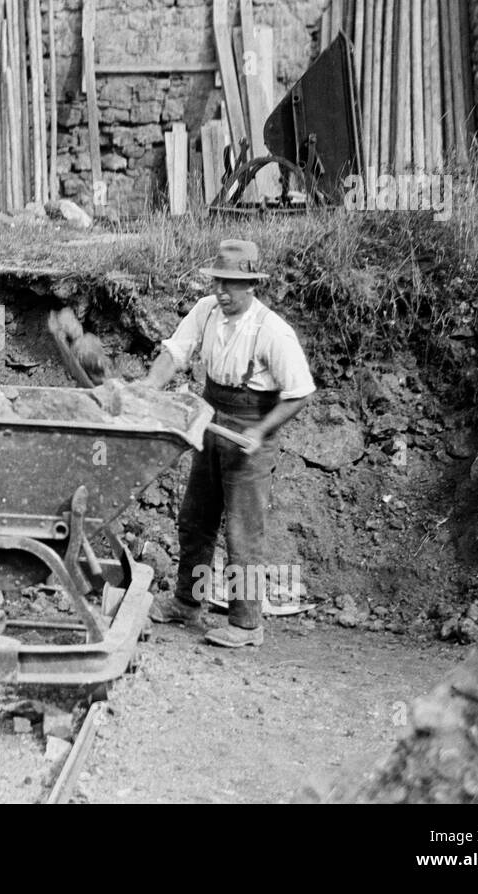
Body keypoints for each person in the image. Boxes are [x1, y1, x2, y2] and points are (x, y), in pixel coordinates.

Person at [142, 239, 315, 648]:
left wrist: (259, 431)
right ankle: (187, 602)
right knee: (195, 517)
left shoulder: (272, 331)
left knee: (242, 531)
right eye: (219, 281)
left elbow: (301, 392)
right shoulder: (206, 311)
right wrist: (150, 385)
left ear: (252, 284)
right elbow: (175, 351)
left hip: (251, 427)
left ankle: (246, 623)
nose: (222, 291)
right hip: (210, 416)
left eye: (232, 284)